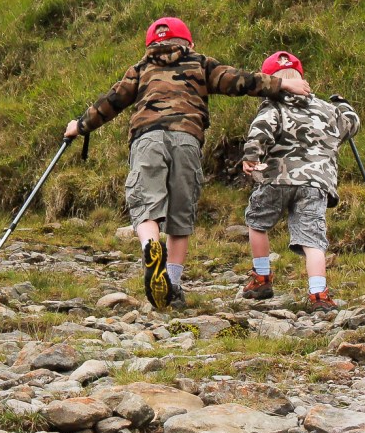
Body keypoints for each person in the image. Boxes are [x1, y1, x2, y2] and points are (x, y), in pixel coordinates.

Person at [64, 19, 310, 311]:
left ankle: (149, 247)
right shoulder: (200, 63)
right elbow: (240, 81)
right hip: (187, 139)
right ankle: (174, 285)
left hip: (147, 139)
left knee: (146, 205)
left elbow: (111, 101)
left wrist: (79, 126)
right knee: (180, 217)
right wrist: (284, 84)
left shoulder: (141, 69)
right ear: (189, 43)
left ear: (150, 45)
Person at [240, 51, 360, 313]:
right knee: (312, 238)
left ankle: (261, 278)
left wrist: (251, 156)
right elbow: (351, 125)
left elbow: (259, 132)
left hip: (277, 179)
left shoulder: (272, 108)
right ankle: (319, 294)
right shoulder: (327, 110)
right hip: (316, 184)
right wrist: (345, 106)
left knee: (257, 222)